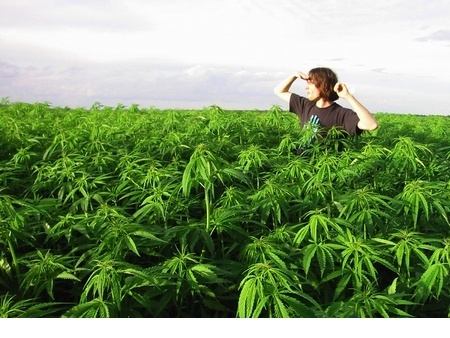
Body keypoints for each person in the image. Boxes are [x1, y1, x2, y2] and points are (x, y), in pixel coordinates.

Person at [274, 67, 378, 153]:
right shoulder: (305, 105)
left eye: (310, 83)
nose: (306, 88)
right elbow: (279, 91)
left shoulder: (341, 114)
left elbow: (371, 125)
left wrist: (348, 96)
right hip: (302, 166)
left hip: (324, 171)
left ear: (324, 85)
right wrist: (294, 75)